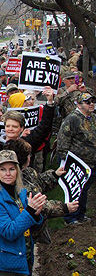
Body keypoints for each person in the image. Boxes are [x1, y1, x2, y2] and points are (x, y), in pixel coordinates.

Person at [0, 150, 46, 275]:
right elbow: (9, 232)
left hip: (24, 258)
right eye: (2, 169)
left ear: (17, 171)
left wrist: (37, 214)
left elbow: (31, 227)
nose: (7, 173)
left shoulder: (22, 192)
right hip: (4, 266)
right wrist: (29, 211)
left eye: (11, 169)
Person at [57, 92, 96, 224]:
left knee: (84, 190)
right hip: (77, 162)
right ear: (79, 104)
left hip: (91, 162)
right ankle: (70, 218)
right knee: (74, 190)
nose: (91, 104)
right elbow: (63, 140)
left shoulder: (93, 118)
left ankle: (80, 214)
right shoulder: (72, 119)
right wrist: (64, 160)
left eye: (92, 101)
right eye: (88, 102)